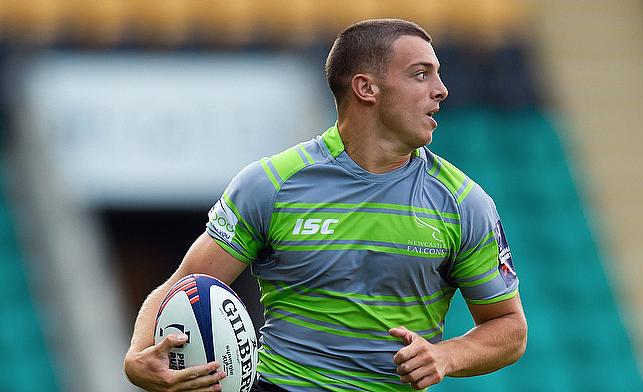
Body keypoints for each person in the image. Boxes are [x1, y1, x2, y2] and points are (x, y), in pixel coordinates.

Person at [124, 18, 527, 392]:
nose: (441, 89)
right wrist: (137, 357)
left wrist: (446, 355)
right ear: (366, 88)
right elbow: (187, 280)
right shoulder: (270, 184)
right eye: (420, 74)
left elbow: (509, 327)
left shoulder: (463, 202)